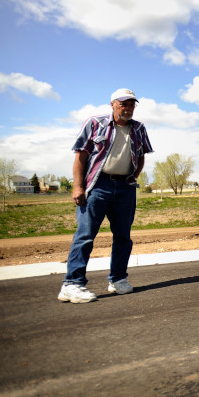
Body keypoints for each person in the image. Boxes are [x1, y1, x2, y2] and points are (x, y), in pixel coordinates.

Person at [58, 88, 154, 304]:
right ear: (112, 104)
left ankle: (118, 280)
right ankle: (72, 284)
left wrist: (132, 178)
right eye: (123, 104)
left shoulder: (138, 128)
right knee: (85, 235)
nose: (128, 108)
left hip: (124, 187)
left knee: (123, 236)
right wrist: (78, 187)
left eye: (131, 104)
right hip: (97, 185)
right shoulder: (94, 123)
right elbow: (81, 156)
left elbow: (141, 156)